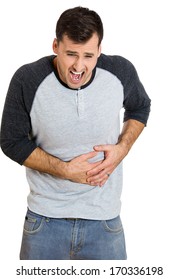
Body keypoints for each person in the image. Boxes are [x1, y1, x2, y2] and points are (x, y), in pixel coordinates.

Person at [0, 6, 151, 260]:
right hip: (44, 220)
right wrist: (63, 169)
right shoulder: (27, 78)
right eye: (71, 54)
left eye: (88, 56)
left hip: (104, 220)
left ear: (100, 50)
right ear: (55, 45)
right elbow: (10, 140)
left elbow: (140, 106)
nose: (79, 66)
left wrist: (122, 149)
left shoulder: (120, 71)